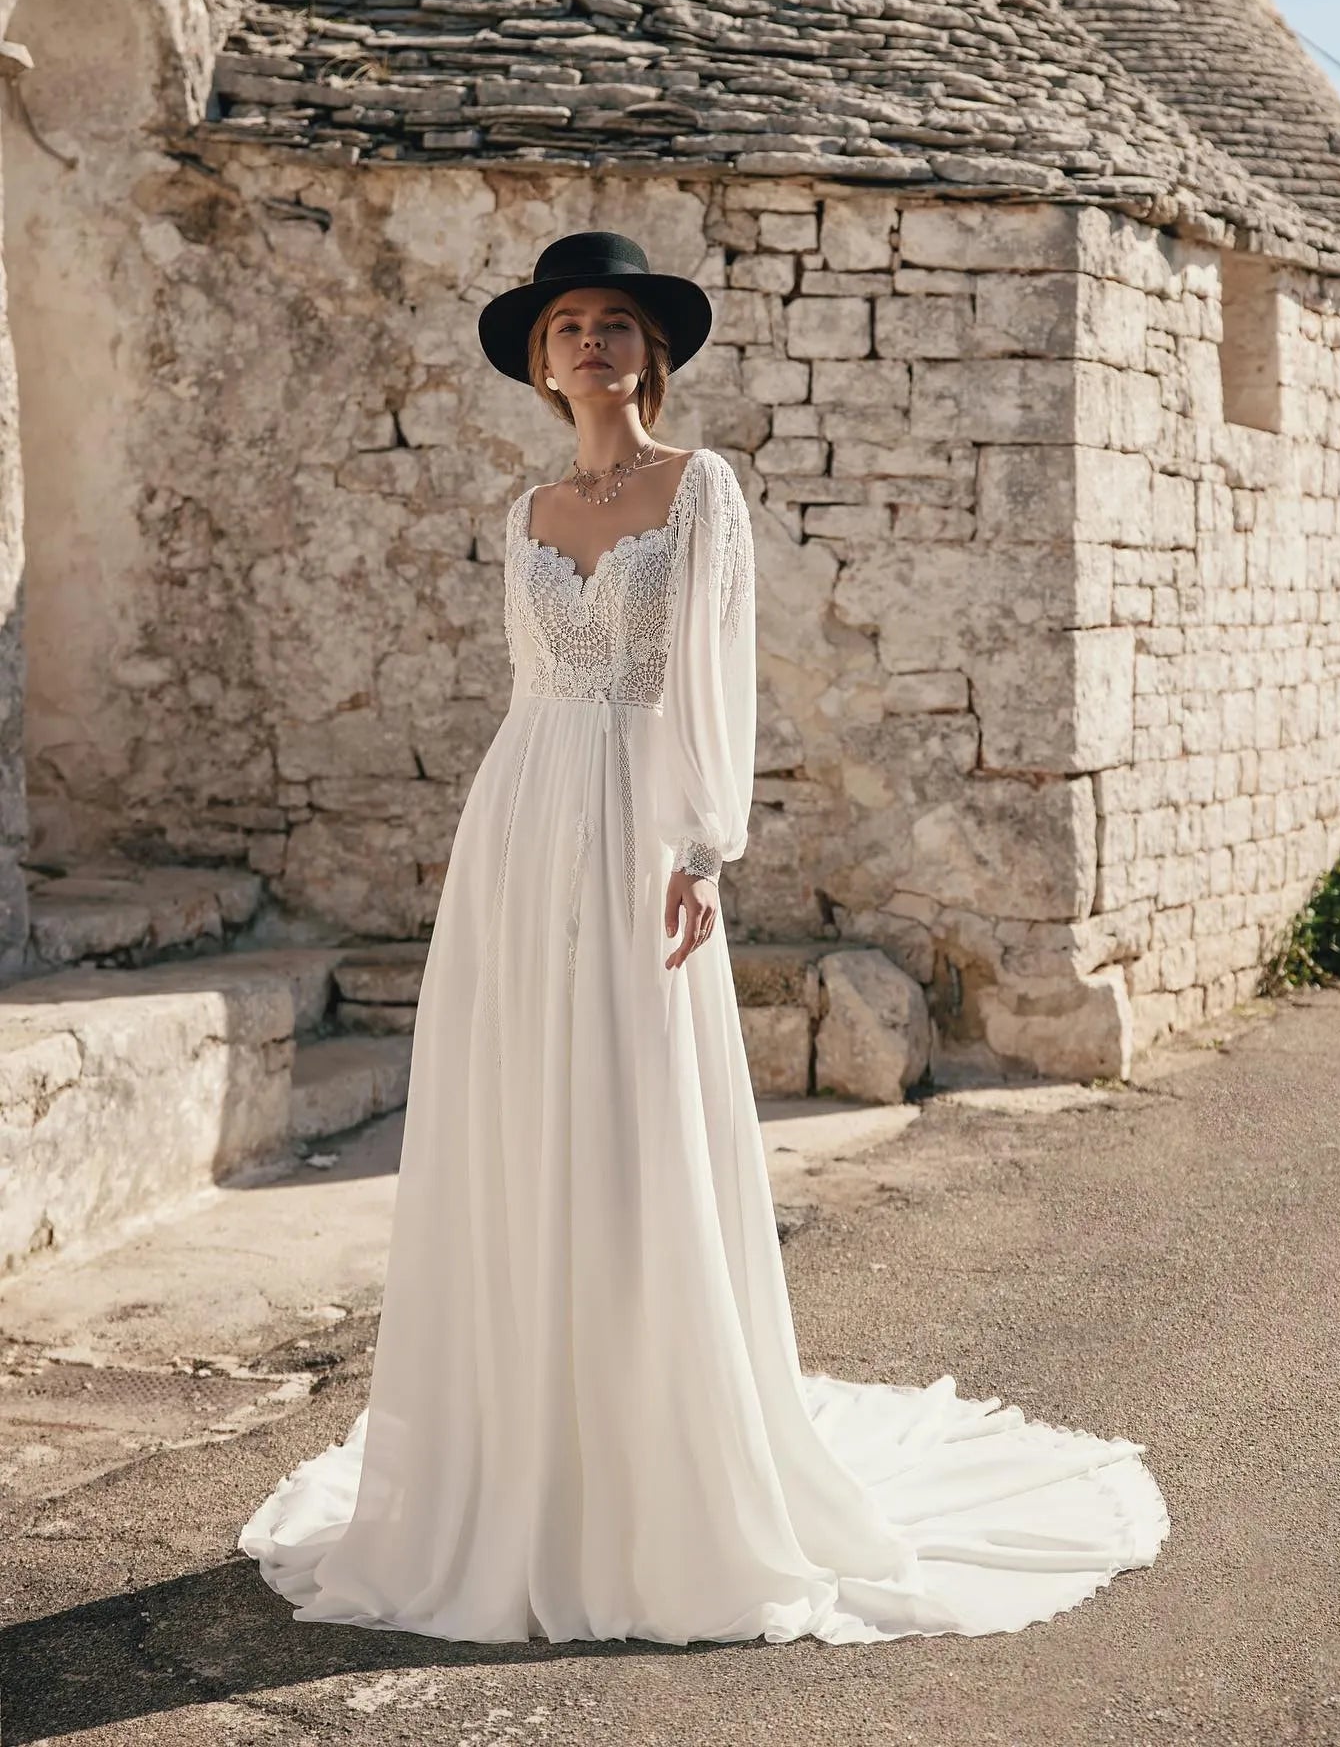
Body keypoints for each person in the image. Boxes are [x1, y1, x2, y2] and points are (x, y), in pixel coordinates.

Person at [237, 230, 1171, 1646]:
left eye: (614, 323)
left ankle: (654, 1455)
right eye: (568, 328)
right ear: (542, 365)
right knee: (522, 1111)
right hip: (524, 820)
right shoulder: (530, 510)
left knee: (633, 1111)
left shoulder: (701, 488)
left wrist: (701, 843)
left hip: (637, 824)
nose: (591, 343)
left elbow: (712, 669)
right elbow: (530, 684)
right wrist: (505, 846)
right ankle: (528, 1448)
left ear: (649, 352)